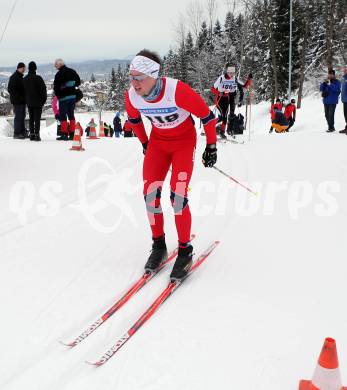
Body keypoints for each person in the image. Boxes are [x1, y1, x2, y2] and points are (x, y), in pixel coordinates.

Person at [125, 49, 217, 281]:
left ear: (154, 76)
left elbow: (207, 117)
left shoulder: (177, 91)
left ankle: (185, 251)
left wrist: (212, 147)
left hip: (183, 143)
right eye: (131, 77)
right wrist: (145, 143)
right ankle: (159, 245)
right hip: (158, 143)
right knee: (149, 194)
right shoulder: (132, 96)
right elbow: (135, 121)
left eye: (139, 78)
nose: (134, 83)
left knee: (177, 197)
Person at [211, 64, 251, 138]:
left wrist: (249, 79)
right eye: (230, 73)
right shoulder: (221, 78)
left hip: (227, 99)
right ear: (227, 72)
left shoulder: (235, 79)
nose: (231, 75)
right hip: (220, 99)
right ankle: (209, 126)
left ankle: (222, 132)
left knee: (225, 117)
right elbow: (212, 89)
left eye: (233, 73)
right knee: (221, 117)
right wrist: (219, 93)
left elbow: (244, 86)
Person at [53, 58, 81, 140]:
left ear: (59, 65)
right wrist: (71, 85)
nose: (55, 67)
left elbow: (56, 87)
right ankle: (72, 134)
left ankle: (64, 134)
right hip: (72, 97)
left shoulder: (58, 74)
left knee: (63, 116)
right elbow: (78, 82)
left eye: (56, 65)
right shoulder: (72, 71)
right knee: (71, 115)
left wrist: (59, 96)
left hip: (63, 98)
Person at [23, 61, 47, 141]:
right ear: (35, 68)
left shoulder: (25, 79)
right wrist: (43, 100)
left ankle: (32, 135)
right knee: (37, 119)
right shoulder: (38, 78)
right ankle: (37, 135)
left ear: (29, 68)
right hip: (38, 102)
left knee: (31, 118)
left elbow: (23, 91)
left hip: (29, 102)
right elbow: (43, 90)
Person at [7, 62, 27, 139]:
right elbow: (10, 89)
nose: (24, 69)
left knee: (22, 116)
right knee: (18, 117)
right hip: (17, 101)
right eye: (23, 68)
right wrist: (19, 97)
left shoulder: (20, 77)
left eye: (24, 68)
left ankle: (22, 132)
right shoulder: (14, 77)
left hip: (22, 101)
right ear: (19, 68)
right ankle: (17, 133)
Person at [339, 66, 347, 134]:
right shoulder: (344, 78)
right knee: (345, 115)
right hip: (344, 100)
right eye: (344, 70)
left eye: (346, 70)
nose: (344, 71)